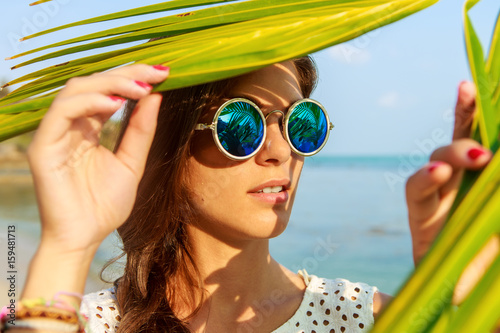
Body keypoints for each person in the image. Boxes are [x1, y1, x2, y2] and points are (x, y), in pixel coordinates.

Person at [3, 56, 498, 333]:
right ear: (167, 146)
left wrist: (462, 304)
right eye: (241, 125)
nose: (281, 151)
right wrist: (67, 244)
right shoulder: (73, 320)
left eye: (302, 124)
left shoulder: (366, 318)